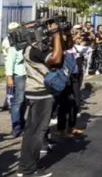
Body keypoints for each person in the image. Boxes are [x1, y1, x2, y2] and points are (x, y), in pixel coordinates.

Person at [17, 21, 64, 177]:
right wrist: (56, 34)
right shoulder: (35, 50)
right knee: (36, 132)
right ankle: (27, 170)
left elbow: (65, 49)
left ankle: (25, 167)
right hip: (41, 94)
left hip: (35, 93)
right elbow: (56, 59)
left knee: (32, 131)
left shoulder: (30, 48)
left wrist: (62, 34)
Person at [55, 29, 84, 139]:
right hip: (63, 79)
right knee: (63, 105)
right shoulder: (59, 48)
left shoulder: (72, 48)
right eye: (66, 36)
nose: (69, 38)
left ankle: (71, 126)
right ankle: (61, 129)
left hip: (74, 78)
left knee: (75, 103)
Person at [4, 22, 27, 138]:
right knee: (17, 102)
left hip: (27, 75)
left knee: (24, 102)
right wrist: (9, 77)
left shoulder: (26, 43)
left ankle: (22, 124)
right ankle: (16, 128)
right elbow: (9, 61)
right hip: (18, 75)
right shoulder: (14, 45)